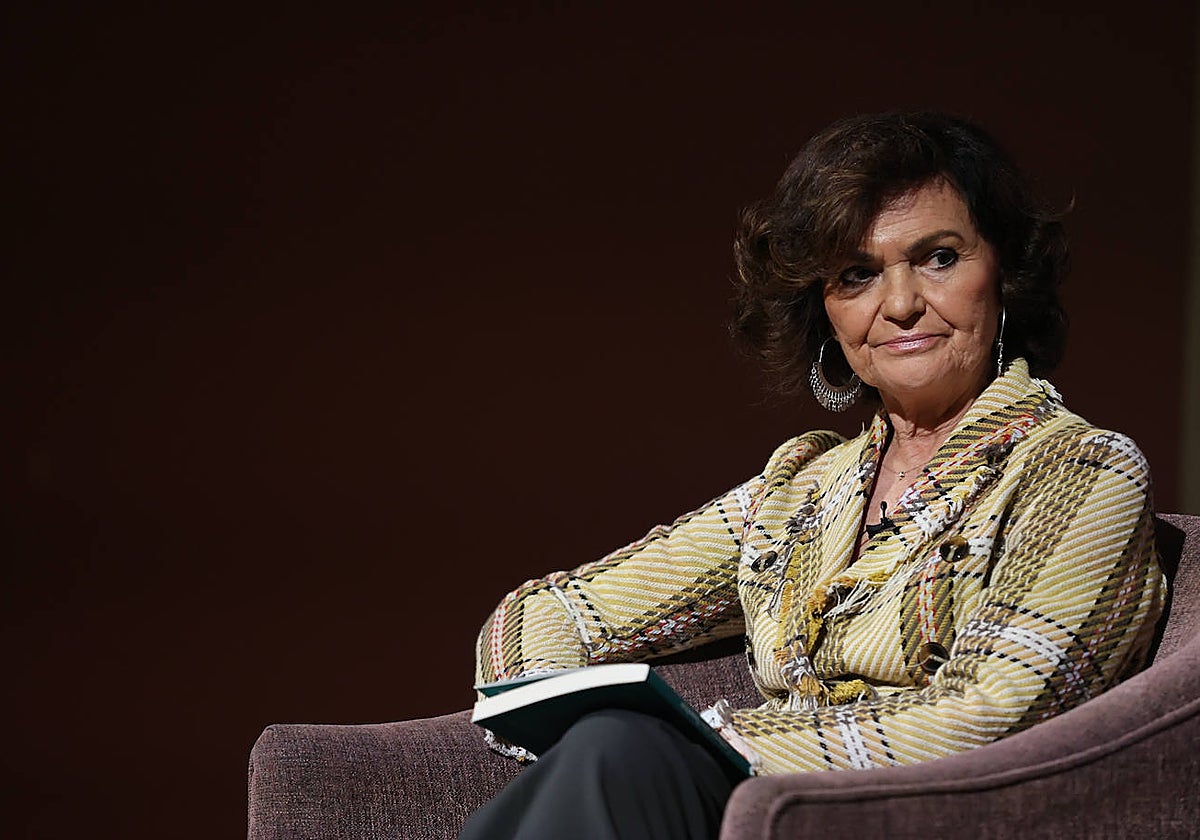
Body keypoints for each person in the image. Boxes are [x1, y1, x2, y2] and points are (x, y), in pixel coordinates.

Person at [458, 111, 1165, 840]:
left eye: (939, 257)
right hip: (747, 816)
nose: (898, 305)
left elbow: (989, 713)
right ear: (824, 311)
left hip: (922, 820)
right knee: (605, 752)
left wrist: (708, 745)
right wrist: (570, 724)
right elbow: (541, 615)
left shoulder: (1080, 471)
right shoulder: (799, 489)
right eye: (857, 275)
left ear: (1005, 272)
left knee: (620, 755)